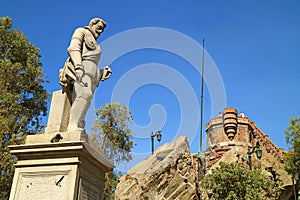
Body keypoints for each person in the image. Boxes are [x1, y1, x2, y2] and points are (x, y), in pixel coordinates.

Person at [59, 18, 112, 133]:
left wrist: (102, 72)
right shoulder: (81, 31)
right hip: (83, 69)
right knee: (84, 95)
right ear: (92, 24)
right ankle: (72, 126)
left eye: (102, 30)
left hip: (94, 73)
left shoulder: (96, 44)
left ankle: (79, 124)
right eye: (99, 27)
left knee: (87, 101)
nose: (100, 31)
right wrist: (78, 65)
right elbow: (73, 48)